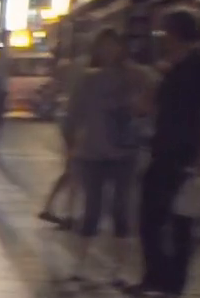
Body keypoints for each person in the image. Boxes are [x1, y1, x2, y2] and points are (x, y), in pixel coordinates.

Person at [130, 8, 200, 298]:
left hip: (185, 154)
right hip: (162, 149)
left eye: (164, 31)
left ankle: (171, 286)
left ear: (175, 33)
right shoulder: (171, 69)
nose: (161, 37)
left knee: (180, 221)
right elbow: (148, 108)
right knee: (151, 218)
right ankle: (155, 279)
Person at [63, 29, 148, 280]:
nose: (109, 51)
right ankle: (79, 264)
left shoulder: (137, 76)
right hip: (92, 152)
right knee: (92, 208)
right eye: (104, 46)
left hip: (125, 151)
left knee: (122, 209)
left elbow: (150, 105)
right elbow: (73, 114)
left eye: (113, 45)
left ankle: (119, 268)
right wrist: (71, 145)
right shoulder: (88, 79)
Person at [39, 45, 88, 227]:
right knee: (76, 168)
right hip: (79, 120)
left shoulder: (65, 67)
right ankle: (68, 212)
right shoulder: (87, 66)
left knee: (72, 168)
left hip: (67, 117)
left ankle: (56, 208)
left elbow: (53, 89)